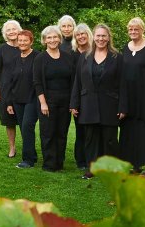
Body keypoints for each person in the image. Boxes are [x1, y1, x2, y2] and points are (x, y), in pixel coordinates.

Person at [70, 24, 123, 179]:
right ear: (94, 37)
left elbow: (123, 84)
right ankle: (91, 168)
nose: (100, 39)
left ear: (108, 38)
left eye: (103, 36)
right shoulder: (85, 56)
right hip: (88, 104)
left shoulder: (117, 57)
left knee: (110, 140)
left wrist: (123, 107)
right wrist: (74, 104)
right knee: (90, 139)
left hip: (110, 104)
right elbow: (77, 82)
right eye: (98, 36)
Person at [118, 17, 145, 176]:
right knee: (130, 131)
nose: (133, 32)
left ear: (142, 30)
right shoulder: (125, 48)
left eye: (136, 29)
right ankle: (135, 165)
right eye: (130, 29)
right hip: (129, 98)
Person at [34, 25, 75, 172]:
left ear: (59, 38)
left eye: (55, 37)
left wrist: (72, 102)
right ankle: (49, 164)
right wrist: (43, 103)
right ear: (44, 40)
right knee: (48, 133)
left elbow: (73, 80)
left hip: (65, 101)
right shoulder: (40, 58)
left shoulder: (68, 57)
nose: (52, 40)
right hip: (47, 101)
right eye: (49, 37)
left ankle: (59, 163)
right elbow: (37, 82)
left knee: (61, 133)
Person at [2, 29, 40, 169]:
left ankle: (28, 160)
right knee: (24, 129)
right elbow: (10, 82)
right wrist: (9, 102)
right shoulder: (15, 59)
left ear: (31, 42)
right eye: (20, 40)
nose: (22, 43)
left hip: (33, 98)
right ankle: (32, 155)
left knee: (27, 126)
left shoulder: (38, 57)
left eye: (25, 40)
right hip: (17, 99)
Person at [0, 19, 22, 158]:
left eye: (14, 29)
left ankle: (28, 147)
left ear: (19, 30)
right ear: (5, 33)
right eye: (8, 30)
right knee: (9, 121)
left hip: (22, 88)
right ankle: (12, 147)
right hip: (6, 89)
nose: (11, 32)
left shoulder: (25, 46)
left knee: (25, 121)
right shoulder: (2, 49)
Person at [70, 23, 93, 169]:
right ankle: (81, 160)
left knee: (91, 130)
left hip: (90, 96)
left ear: (88, 35)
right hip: (76, 95)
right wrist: (73, 102)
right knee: (80, 130)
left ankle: (92, 158)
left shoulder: (94, 52)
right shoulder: (72, 54)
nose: (80, 37)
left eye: (83, 34)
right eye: (77, 35)